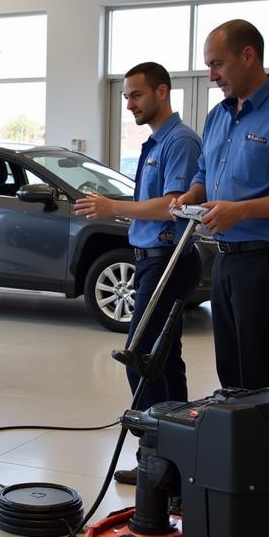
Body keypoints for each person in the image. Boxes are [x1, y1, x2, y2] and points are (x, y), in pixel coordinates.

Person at [173, 20, 269, 390]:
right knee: (230, 373)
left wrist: (241, 210)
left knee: (260, 375)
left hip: (268, 261)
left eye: (217, 64)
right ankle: (237, 447)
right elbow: (204, 170)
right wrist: (193, 195)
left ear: (248, 55)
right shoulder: (218, 116)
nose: (212, 76)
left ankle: (267, 448)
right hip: (226, 258)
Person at [76, 62, 202, 485]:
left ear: (162, 92)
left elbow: (173, 204)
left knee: (140, 358)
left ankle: (158, 451)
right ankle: (175, 457)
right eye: (125, 96)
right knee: (166, 359)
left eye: (136, 95)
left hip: (168, 259)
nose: (129, 103)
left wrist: (114, 208)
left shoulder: (179, 142)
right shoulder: (156, 142)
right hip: (151, 257)